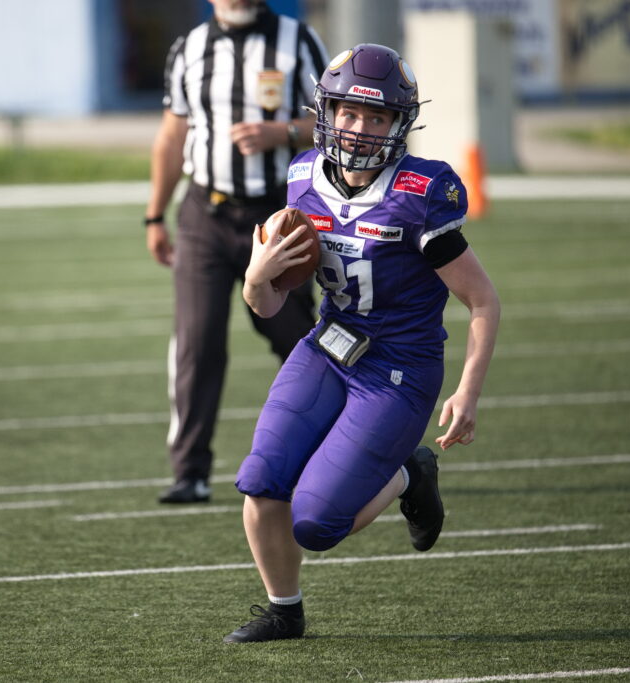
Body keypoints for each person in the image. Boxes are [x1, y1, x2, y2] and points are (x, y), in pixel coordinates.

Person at [223, 43, 501, 643]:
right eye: (348, 112)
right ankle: (284, 610)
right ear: (326, 112)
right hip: (327, 348)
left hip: (398, 369)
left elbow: (482, 301)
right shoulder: (303, 178)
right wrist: (256, 277)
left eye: (376, 117)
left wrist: (468, 392)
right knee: (261, 481)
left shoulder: (420, 192)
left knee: (317, 524)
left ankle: (408, 475)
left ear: (399, 125)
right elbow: (268, 307)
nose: (359, 128)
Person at [145, 0, 328, 504]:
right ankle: (190, 472)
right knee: (197, 340)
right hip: (204, 213)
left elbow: (335, 124)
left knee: (296, 337)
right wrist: (155, 214)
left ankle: (330, 453)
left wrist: (282, 133)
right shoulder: (189, 47)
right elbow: (172, 135)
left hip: (276, 214)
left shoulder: (299, 40)